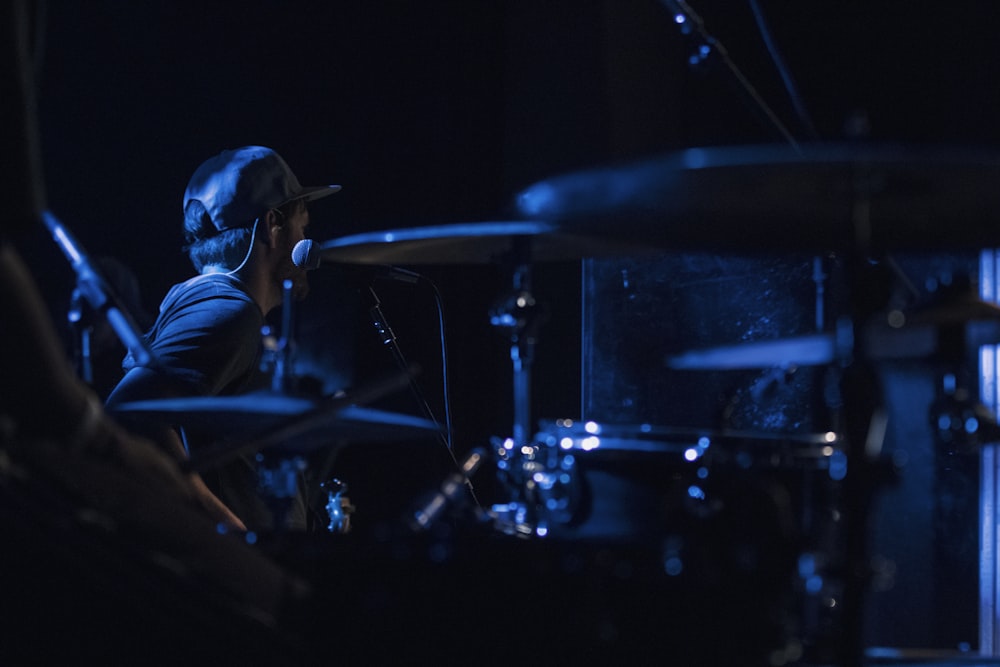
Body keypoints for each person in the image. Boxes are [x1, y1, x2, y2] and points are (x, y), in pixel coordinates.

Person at [104, 146, 340, 534]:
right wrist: (231, 532)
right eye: (303, 227)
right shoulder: (228, 313)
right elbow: (130, 413)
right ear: (272, 225)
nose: (306, 241)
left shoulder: (220, 306)